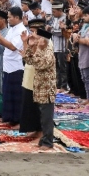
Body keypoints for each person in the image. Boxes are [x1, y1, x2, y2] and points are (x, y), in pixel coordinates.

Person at [19, 19, 57, 150]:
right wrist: (28, 45)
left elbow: (41, 64)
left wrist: (38, 48)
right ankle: (44, 139)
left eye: (39, 38)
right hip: (38, 87)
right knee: (41, 114)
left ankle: (48, 141)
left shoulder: (48, 51)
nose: (38, 40)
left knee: (47, 116)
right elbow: (30, 60)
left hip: (46, 88)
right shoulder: (41, 48)